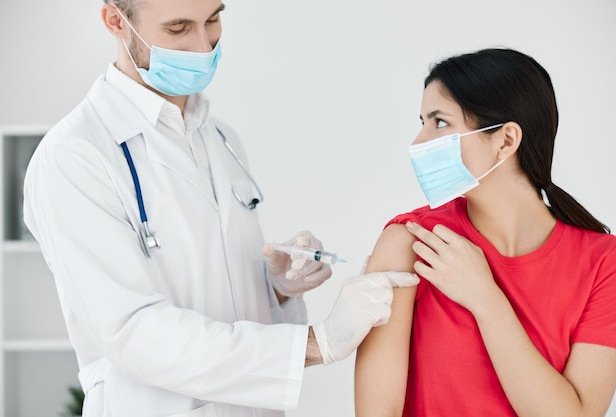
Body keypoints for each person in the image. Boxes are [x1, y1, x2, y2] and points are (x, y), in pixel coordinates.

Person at [22, 1, 419, 416]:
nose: (203, 45)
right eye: (178, 29)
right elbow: (133, 334)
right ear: (116, 22)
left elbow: (220, 293)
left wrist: (276, 289)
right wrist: (319, 342)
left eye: (212, 19)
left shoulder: (218, 137)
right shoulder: (74, 157)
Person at [354, 48, 616, 417]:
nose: (419, 143)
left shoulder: (607, 262)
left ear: (506, 140)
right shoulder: (410, 241)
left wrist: (486, 299)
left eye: (440, 123)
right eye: (423, 122)